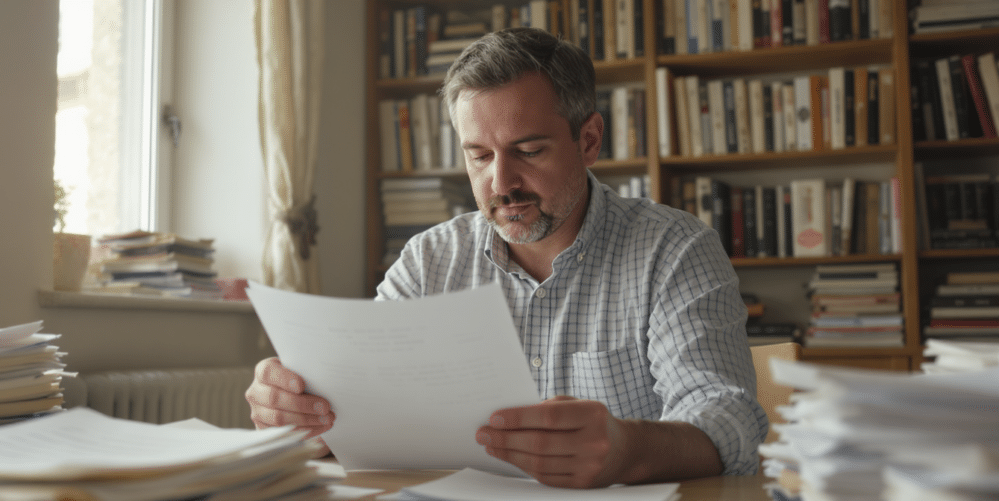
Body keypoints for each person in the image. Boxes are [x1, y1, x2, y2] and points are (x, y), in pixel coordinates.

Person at [246, 27, 767, 489]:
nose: (501, 183)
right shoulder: (429, 261)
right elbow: (364, 412)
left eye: (529, 151)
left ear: (588, 140)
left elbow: (729, 423)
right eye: (479, 156)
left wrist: (626, 451)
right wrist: (303, 417)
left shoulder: (674, 251)